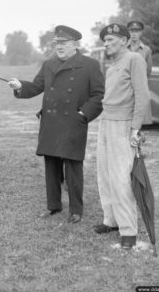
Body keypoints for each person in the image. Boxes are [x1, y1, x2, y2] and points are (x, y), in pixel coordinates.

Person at [8, 25, 105, 223]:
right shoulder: (48, 64)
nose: (59, 47)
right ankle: (53, 206)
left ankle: (76, 210)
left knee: (72, 167)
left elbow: (98, 95)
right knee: (51, 165)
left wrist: (83, 114)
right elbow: (36, 87)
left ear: (75, 45)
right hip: (51, 122)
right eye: (57, 43)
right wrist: (19, 86)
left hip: (73, 122)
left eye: (64, 43)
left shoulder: (90, 65)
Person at [93, 23, 150, 249]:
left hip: (123, 124)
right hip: (106, 122)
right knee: (105, 174)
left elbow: (142, 96)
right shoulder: (111, 65)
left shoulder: (134, 59)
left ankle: (128, 230)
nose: (106, 43)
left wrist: (135, 128)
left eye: (111, 40)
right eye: (105, 40)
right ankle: (111, 221)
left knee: (121, 178)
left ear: (125, 40)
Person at [127, 20, 153, 125]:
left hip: (139, 88)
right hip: (125, 87)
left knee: (139, 121)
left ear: (141, 32)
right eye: (131, 31)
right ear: (128, 32)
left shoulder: (146, 50)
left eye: (137, 31)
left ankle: (136, 140)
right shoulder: (123, 48)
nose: (134, 33)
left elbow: (148, 71)